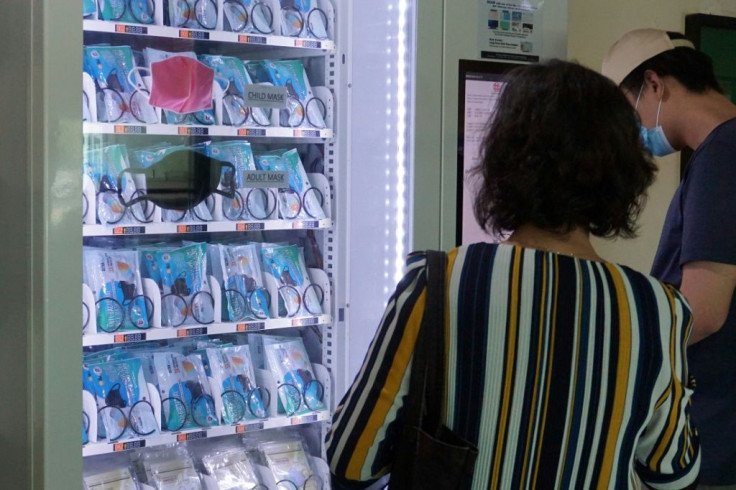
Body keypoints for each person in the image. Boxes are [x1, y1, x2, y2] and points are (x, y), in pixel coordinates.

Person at [327, 60, 700, 489]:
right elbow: (674, 473)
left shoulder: (437, 282)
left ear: (502, 159)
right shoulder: (658, 309)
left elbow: (351, 458)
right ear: (623, 173)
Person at [602, 28, 736, 488]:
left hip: (718, 432)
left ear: (655, 85)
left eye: (628, 109)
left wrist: (617, 346)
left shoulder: (722, 157)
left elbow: (704, 310)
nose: (633, 132)